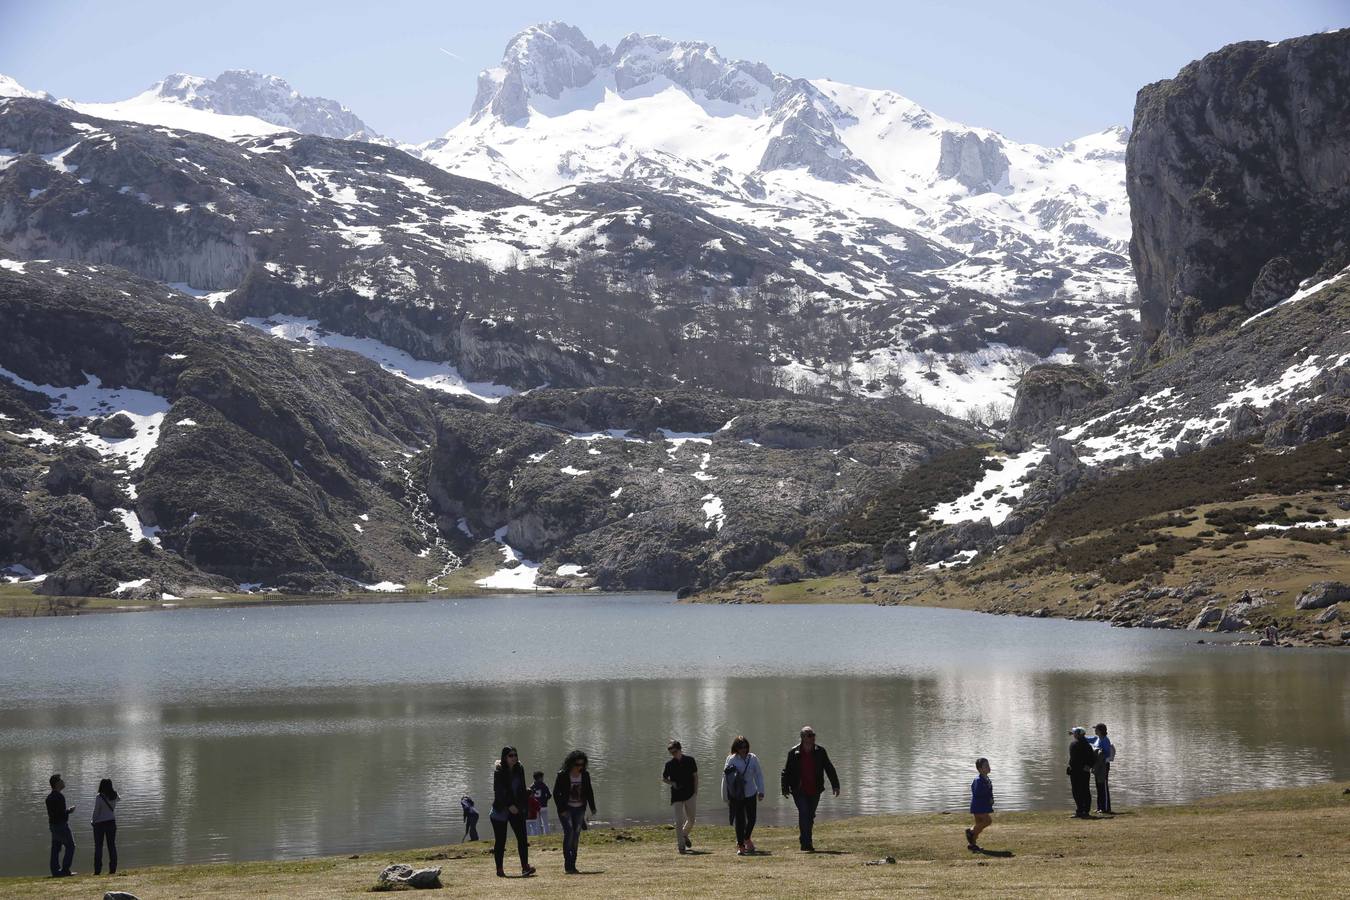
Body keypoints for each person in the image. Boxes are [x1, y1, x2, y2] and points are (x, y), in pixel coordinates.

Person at [780, 725, 840, 852]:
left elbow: (829, 768)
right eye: (809, 735)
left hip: (815, 789)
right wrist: (784, 788)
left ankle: (805, 838)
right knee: (804, 812)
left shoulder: (820, 751)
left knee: (810, 815)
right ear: (802, 737)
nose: (812, 737)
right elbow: (786, 771)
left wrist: (835, 785)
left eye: (813, 735)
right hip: (799, 789)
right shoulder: (793, 752)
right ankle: (806, 843)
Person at [489, 747, 535, 878]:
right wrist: (509, 805)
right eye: (511, 755)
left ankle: (525, 867)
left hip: (517, 809)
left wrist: (524, 803)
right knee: (500, 841)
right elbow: (499, 792)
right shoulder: (499, 772)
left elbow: (521, 788)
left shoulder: (519, 768)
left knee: (522, 838)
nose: (514, 757)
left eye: (515, 755)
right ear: (505, 757)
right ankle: (499, 869)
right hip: (501, 809)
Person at [552, 750, 596, 874]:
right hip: (566, 809)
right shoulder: (562, 775)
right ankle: (567, 863)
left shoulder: (585, 775)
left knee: (576, 835)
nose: (579, 767)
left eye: (582, 765)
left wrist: (592, 808)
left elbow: (589, 791)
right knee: (569, 832)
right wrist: (561, 809)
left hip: (580, 808)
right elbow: (556, 793)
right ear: (571, 763)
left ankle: (573, 864)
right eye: (577, 765)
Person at [721, 735, 765, 856]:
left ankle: (746, 838)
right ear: (736, 748)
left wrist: (761, 791)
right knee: (740, 821)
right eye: (741, 747)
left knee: (752, 818)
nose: (743, 749)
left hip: (751, 792)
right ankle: (741, 845)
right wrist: (725, 796)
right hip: (736, 795)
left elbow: (758, 775)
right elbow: (726, 778)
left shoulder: (753, 758)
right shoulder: (731, 759)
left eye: (745, 747)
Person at [663, 740, 699, 854]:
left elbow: (695, 776)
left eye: (675, 751)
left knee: (692, 820)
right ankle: (681, 846)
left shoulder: (690, 760)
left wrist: (695, 792)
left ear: (680, 749)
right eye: (671, 753)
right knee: (678, 821)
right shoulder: (669, 764)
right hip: (677, 795)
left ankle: (684, 834)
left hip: (690, 794)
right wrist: (672, 783)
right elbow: (664, 778)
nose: (673, 754)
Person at [46, 773, 76, 878]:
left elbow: (53, 813)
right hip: (61, 825)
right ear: (57, 783)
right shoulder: (60, 797)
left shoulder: (49, 797)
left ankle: (55, 871)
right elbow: (61, 813)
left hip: (53, 826)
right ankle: (65, 870)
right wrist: (69, 811)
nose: (63, 782)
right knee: (71, 846)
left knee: (56, 848)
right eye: (61, 780)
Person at [91, 778, 119, 875]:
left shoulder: (99, 797)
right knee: (112, 846)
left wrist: (93, 821)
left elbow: (96, 811)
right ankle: (113, 869)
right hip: (111, 822)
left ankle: (97, 870)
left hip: (99, 824)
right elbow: (119, 799)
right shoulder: (115, 795)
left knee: (98, 847)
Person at [1067, 726, 1096, 818]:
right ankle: (1086, 811)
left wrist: (1070, 767)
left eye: (1075, 733)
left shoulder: (1073, 744)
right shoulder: (1088, 745)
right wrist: (1089, 766)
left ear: (1078, 734)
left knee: (1076, 791)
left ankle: (1079, 810)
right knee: (1085, 791)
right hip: (1085, 771)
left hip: (1075, 771)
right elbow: (1092, 759)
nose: (1073, 734)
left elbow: (1073, 759)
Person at [966, 758, 994, 851]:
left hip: (983, 806)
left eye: (988, 765)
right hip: (978, 806)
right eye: (986, 766)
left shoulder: (986, 778)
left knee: (979, 825)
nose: (988, 767)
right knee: (988, 821)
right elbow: (977, 792)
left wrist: (991, 799)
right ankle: (970, 831)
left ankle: (972, 845)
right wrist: (987, 797)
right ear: (980, 769)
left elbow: (989, 791)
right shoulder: (978, 780)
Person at [1090, 723, 1116, 814]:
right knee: (1098, 786)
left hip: (1104, 766)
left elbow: (1107, 754)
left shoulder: (1105, 740)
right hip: (1098, 766)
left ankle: (1105, 808)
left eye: (1096, 729)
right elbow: (1088, 739)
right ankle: (1099, 807)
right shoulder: (1097, 739)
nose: (1095, 730)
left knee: (1103, 786)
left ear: (1100, 731)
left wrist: (1099, 755)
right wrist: (1075, 734)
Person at [526, 771, 552, 836]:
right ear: (540, 778)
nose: (543, 779)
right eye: (542, 777)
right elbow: (549, 795)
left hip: (535, 807)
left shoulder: (532, 786)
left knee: (537, 822)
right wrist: (545, 800)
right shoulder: (544, 785)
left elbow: (529, 797)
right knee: (545, 822)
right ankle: (547, 834)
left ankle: (539, 835)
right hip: (544, 806)